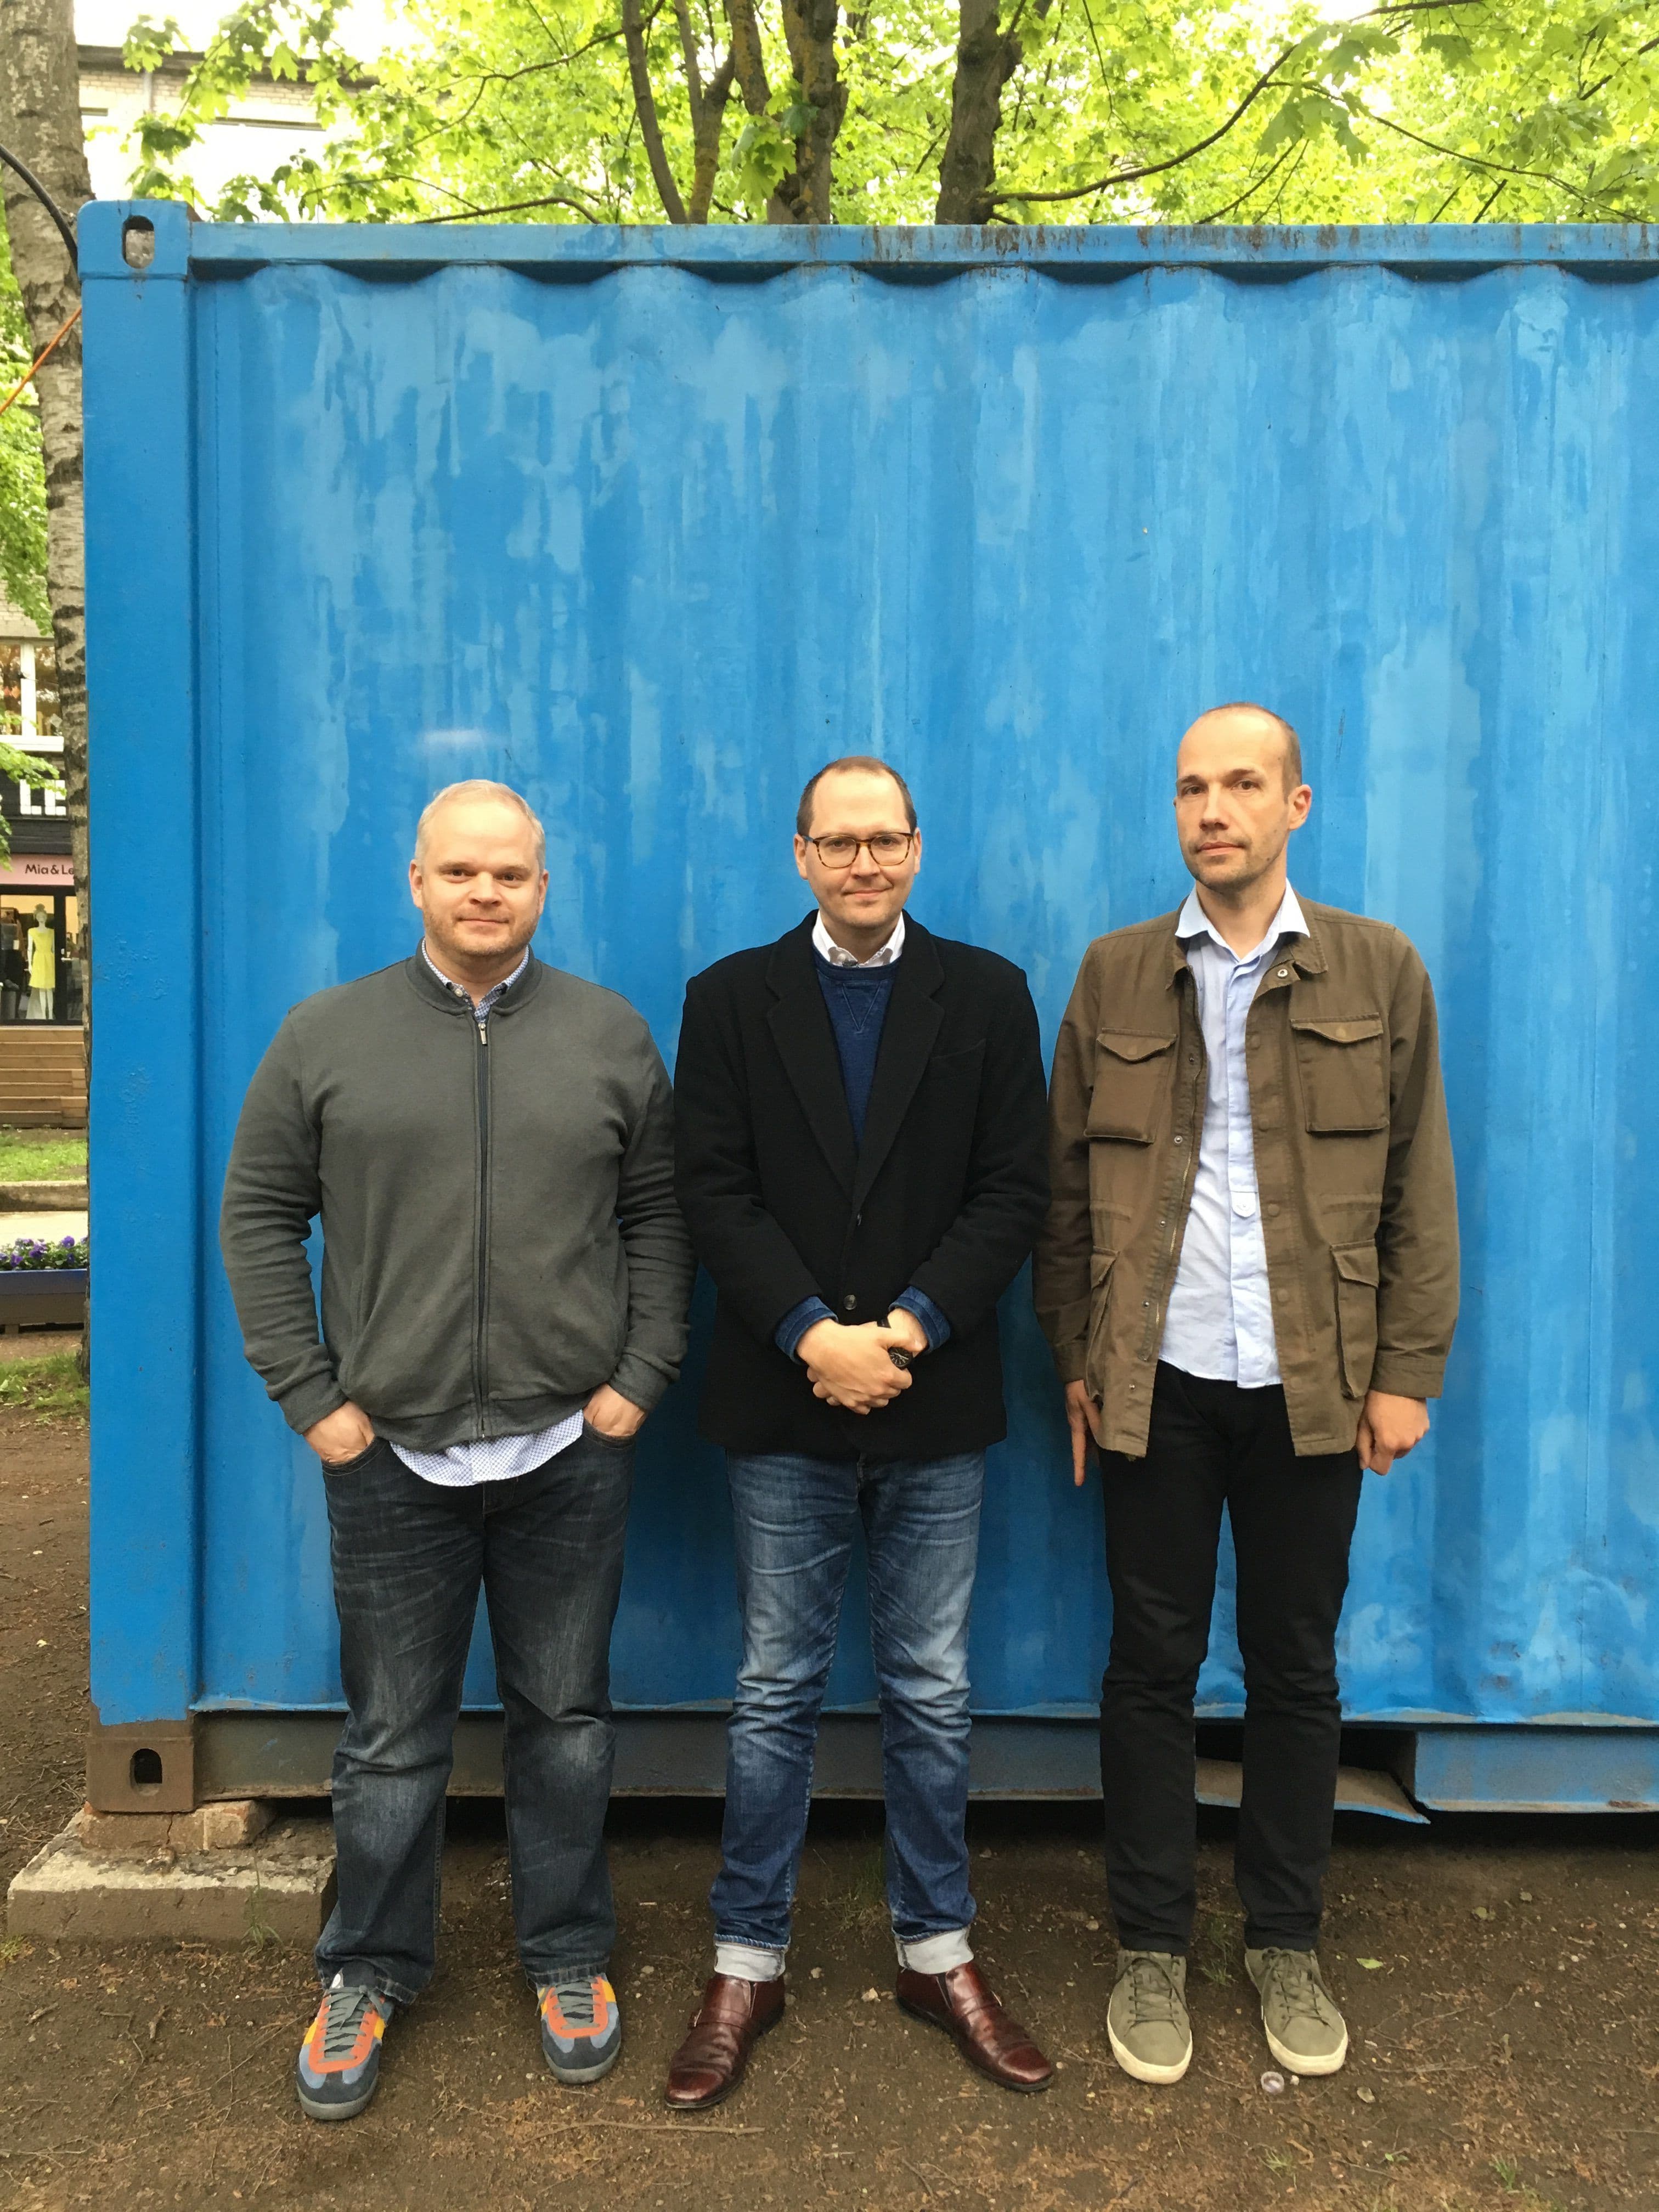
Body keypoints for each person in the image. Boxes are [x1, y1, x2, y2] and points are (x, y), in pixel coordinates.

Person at [220, 779, 694, 2121]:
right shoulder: (327, 1036)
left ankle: (569, 1953)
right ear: (417, 881)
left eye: (511, 874)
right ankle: (368, 1967)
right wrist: (313, 1398)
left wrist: (639, 1378)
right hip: (393, 1460)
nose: (487, 893)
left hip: (568, 1451)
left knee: (567, 1723)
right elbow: (258, 1215)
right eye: (462, 871)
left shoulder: (608, 1035)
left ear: (543, 888)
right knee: (390, 1740)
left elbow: (661, 1218)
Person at [1034, 704, 1458, 2089]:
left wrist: (1406, 1373)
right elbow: (1061, 1195)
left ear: (1296, 805)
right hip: (1156, 1380)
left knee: (1296, 1669)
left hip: (1311, 1386)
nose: (1212, 811)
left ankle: (1285, 1941)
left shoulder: (1378, 969)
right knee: (1149, 1668)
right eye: (1190, 789)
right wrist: (1079, 1358)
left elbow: (1419, 1185)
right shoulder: (1116, 973)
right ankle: (1151, 1948)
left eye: (1240, 785)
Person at [667, 754, 1054, 2109]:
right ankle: (747, 1960)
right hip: (784, 1395)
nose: (864, 863)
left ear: (918, 848)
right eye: (838, 843)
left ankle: (937, 1951)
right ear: (800, 855)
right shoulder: (730, 998)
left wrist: (908, 1328)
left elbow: (1015, 1190)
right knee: (775, 1686)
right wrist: (808, 1335)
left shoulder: (988, 994)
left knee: (931, 1689)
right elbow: (710, 1189)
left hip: (930, 1394)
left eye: (885, 840)